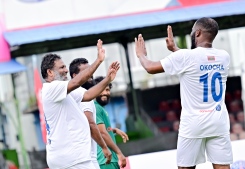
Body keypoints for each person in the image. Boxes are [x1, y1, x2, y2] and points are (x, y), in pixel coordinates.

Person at [135, 17, 233, 169]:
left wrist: (141, 54)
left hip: (194, 123)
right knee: (223, 166)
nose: (191, 34)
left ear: (198, 33)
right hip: (218, 121)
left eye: (192, 32)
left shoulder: (186, 57)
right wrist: (175, 49)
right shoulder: (224, 57)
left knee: (185, 167)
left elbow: (150, 67)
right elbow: (198, 61)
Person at [41, 39, 119, 169]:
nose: (66, 70)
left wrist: (107, 79)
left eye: (65, 66)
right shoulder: (51, 88)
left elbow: (88, 95)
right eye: (61, 67)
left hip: (72, 158)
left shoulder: (65, 90)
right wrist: (99, 61)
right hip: (73, 159)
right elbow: (76, 83)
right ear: (50, 72)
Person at [69, 58, 112, 169]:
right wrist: (104, 147)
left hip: (81, 157)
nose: (91, 74)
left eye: (91, 70)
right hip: (86, 159)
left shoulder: (73, 96)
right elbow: (91, 124)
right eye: (86, 71)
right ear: (75, 76)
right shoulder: (82, 96)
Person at [93, 76, 129, 169]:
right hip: (105, 160)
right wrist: (119, 153)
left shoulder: (100, 108)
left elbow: (98, 130)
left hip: (109, 160)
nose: (105, 93)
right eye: (102, 90)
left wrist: (114, 130)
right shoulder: (96, 108)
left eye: (107, 90)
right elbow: (102, 133)